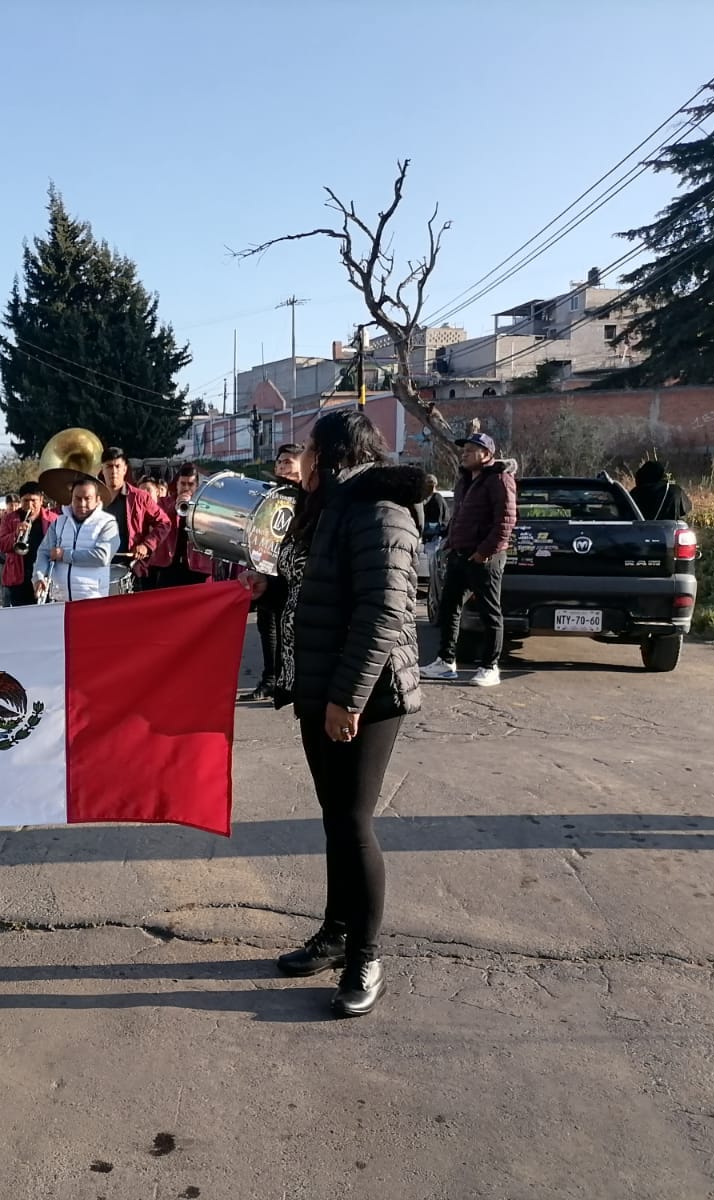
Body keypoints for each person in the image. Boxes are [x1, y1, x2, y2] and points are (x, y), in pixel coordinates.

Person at [270, 410, 430, 1019]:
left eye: (310, 447)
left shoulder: (380, 509)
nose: (302, 458)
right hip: (320, 688)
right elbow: (310, 584)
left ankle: (366, 953)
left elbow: (385, 613)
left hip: (367, 695)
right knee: (335, 817)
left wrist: (348, 699)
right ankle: (336, 933)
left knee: (355, 821)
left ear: (334, 452)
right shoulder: (328, 506)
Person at [422, 432, 518, 688]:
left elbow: (505, 522)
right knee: (449, 607)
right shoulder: (464, 480)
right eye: (463, 450)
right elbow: (459, 517)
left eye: (471, 450)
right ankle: (445, 662)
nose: (464, 454)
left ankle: (489, 667)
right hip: (459, 555)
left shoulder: (500, 479)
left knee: (489, 613)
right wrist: (451, 543)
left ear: (487, 454)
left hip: (485, 558)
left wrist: (484, 551)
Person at [243, 444, 307, 701]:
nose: (282, 467)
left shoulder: (307, 496)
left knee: (290, 626)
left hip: (294, 572)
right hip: (268, 568)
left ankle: (289, 679)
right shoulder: (270, 493)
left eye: (288, 462)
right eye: (280, 462)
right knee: (266, 625)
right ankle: (270, 678)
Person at [34, 479, 120, 601]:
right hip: (60, 600)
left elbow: (102, 557)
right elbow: (44, 552)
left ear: (97, 500)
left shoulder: (108, 524)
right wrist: (39, 576)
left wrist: (64, 555)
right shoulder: (59, 522)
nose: (82, 504)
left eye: (87, 498)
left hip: (92, 600)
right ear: (71, 499)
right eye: (77, 498)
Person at [97, 447, 171, 589]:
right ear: (102, 469)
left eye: (118, 466)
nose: (114, 471)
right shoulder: (93, 499)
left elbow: (164, 523)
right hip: (97, 570)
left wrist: (146, 545)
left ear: (125, 469)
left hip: (130, 570)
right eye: (109, 467)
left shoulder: (140, 497)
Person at [0, 483, 54, 607]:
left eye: (34, 500)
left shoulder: (52, 519)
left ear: (41, 500)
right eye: (25, 500)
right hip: (19, 578)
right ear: (20, 500)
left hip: (45, 577)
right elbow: (1, 545)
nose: (29, 505)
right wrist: (15, 534)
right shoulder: (9, 519)